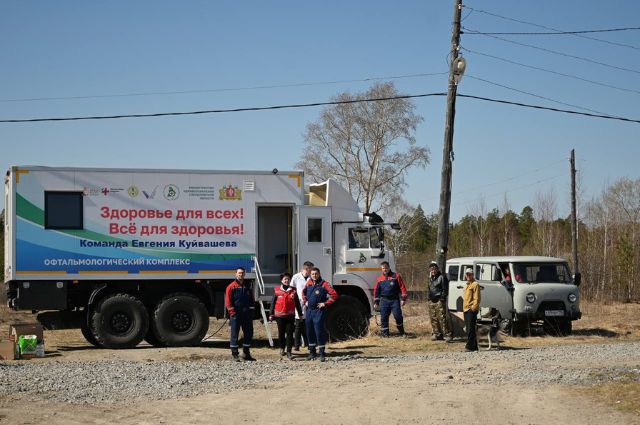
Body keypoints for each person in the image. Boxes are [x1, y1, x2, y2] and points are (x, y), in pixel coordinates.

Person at [302, 267, 338, 362]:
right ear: (311, 274)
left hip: (319, 312)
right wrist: (305, 301)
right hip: (309, 311)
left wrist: (325, 304)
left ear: (319, 274)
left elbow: (334, 295)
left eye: (316, 274)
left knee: (319, 332)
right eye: (313, 274)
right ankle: (312, 353)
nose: (314, 275)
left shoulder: (324, 284)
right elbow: (303, 293)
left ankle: (322, 353)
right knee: (309, 332)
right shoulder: (308, 283)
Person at [269, 272, 303, 360]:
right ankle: (282, 348)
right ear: (281, 280)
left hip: (290, 316)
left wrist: (300, 314)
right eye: (285, 279)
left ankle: (289, 352)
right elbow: (273, 303)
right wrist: (271, 314)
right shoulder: (276, 290)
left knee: (290, 334)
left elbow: (297, 303)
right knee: (281, 333)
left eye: (288, 279)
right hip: (279, 316)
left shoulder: (293, 290)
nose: (286, 280)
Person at [225, 267, 256, 361]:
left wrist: (251, 311)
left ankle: (246, 353)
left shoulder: (247, 287)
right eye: (239, 273)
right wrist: (232, 313)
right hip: (236, 314)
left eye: (242, 273)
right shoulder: (231, 286)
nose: (241, 274)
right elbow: (228, 301)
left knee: (248, 333)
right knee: (235, 334)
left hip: (246, 314)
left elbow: (251, 300)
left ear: (244, 274)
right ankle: (235, 354)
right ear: (236, 274)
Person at [373, 261, 408, 337]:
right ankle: (385, 334)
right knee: (384, 317)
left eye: (386, 268)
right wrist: (376, 302)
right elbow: (376, 291)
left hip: (394, 300)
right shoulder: (379, 279)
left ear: (389, 268)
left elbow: (402, 287)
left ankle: (401, 332)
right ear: (381, 269)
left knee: (398, 316)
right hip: (384, 301)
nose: (385, 269)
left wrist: (403, 299)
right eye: (383, 268)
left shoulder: (396, 276)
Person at [290, 261, 313, 351]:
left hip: (309, 303)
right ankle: (296, 345)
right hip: (299, 303)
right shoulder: (296, 277)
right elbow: (292, 288)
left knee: (307, 324)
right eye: (310, 269)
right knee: (298, 324)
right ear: (306, 269)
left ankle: (308, 343)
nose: (311, 271)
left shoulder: (311, 278)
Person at [427, 262, 452, 342]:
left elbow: (445, 289)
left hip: (439, 301)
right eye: (431, 269)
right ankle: (437, 334)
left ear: (437, 269)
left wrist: (442, 299)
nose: (433, 271)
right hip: (431, 301)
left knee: (442, 318)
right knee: (433, 318)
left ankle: (448, 335)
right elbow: (429, 289)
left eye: (434, 269)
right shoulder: (431, 278)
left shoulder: (442, 277)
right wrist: (429, 298)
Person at [463, 267, 481, 352]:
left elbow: (477, 298)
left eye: (470, 274)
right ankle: (474, 346)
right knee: (470, 328)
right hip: (465, 309)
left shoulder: (475, 284)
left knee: (470, 329)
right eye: (467, 274)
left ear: (472, 275)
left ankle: (469, 346)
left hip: (471, 309)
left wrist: (474, 308)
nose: (468, 276)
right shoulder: (466, 285)